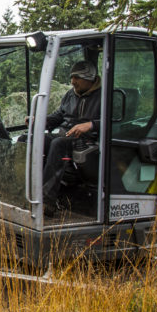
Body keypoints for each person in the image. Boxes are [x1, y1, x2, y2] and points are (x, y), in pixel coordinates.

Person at [41, 60, 102, 212]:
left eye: (77, 77)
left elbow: (115, 122)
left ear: (90, 78)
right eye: (72, 77)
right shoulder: (70, 95)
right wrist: (40, 120)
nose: (73, 81)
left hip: (88, 140)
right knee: (31, 140)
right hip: (65, 135)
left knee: (58, 144)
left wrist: (91, 124)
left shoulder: (105, 96)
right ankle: (24, 190)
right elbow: (58, 116)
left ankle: (46, 201)